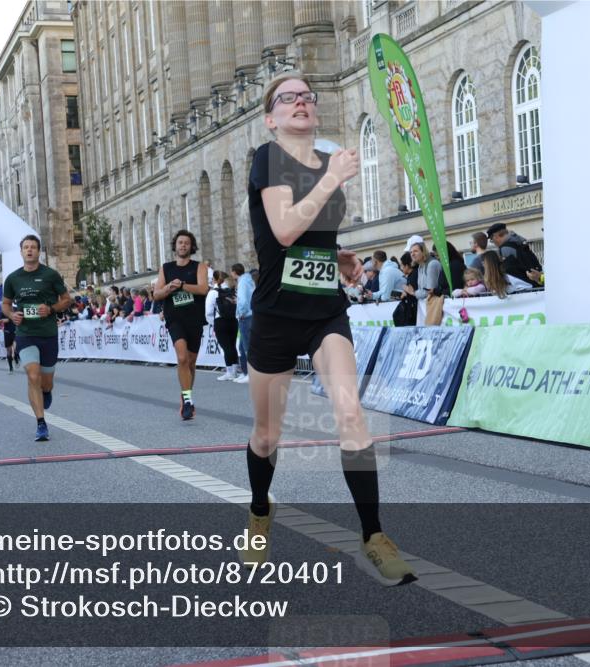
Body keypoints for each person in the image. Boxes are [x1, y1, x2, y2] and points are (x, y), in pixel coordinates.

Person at [241, 72, 417, 586]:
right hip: (275, 315)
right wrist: (332, 177)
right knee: (267, 435)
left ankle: (374, 536)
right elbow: (283, 229)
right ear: (271, 118)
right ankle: (259, 510)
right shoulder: (268, 158)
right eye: (287, 98)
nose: (300, 102)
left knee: (351, 414)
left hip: (324, 311)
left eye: (306, 96)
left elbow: (310, 236)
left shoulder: (326, 161)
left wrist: (336, 255)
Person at [2, 234, 72, 442]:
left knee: (46, 383)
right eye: (26, 247)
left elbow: (66, 300)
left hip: (48, 333)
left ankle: (46, 391)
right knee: (33, 376)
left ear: (38, 251)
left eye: (33, 247)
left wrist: (50, 308)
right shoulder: (13, 278)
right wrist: (11, 315)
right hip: (25, 333)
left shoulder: (50, 275)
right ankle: (41, 423)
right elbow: (6, 304)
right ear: (21, 252)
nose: (30, 250)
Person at [153, 229, 209, 420]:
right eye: (180, 242)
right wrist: (169, 287)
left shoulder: (199, 267)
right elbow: (156, 294)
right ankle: (187, 401)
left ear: (191, 247)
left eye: (186, 243)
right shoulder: (166, 268)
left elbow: (203, 289)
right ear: (175, 246)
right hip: (174, 318)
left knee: (191, 362)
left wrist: (182, 285)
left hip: (194, 318)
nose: (183, 245)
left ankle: (186, 395)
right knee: (182, 358)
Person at [206, 270, 241, 381]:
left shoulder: (213, 292)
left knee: (226, 347)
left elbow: (208, 311)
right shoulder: (233, 290)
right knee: (232, 346)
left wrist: (213, 323)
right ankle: (234, 371)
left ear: (215, 280)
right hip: (233, 321)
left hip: (220, 321)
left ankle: (229, 372)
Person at [232, 263, 254, 384]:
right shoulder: (247, 280)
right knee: (242, 346)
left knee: (246, 347)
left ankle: (250, 374)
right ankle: (245, 372)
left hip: (245, 316)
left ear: (234, 272)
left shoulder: (242, 282)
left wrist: (241, 312)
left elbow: (244, 301)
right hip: (248, 315)